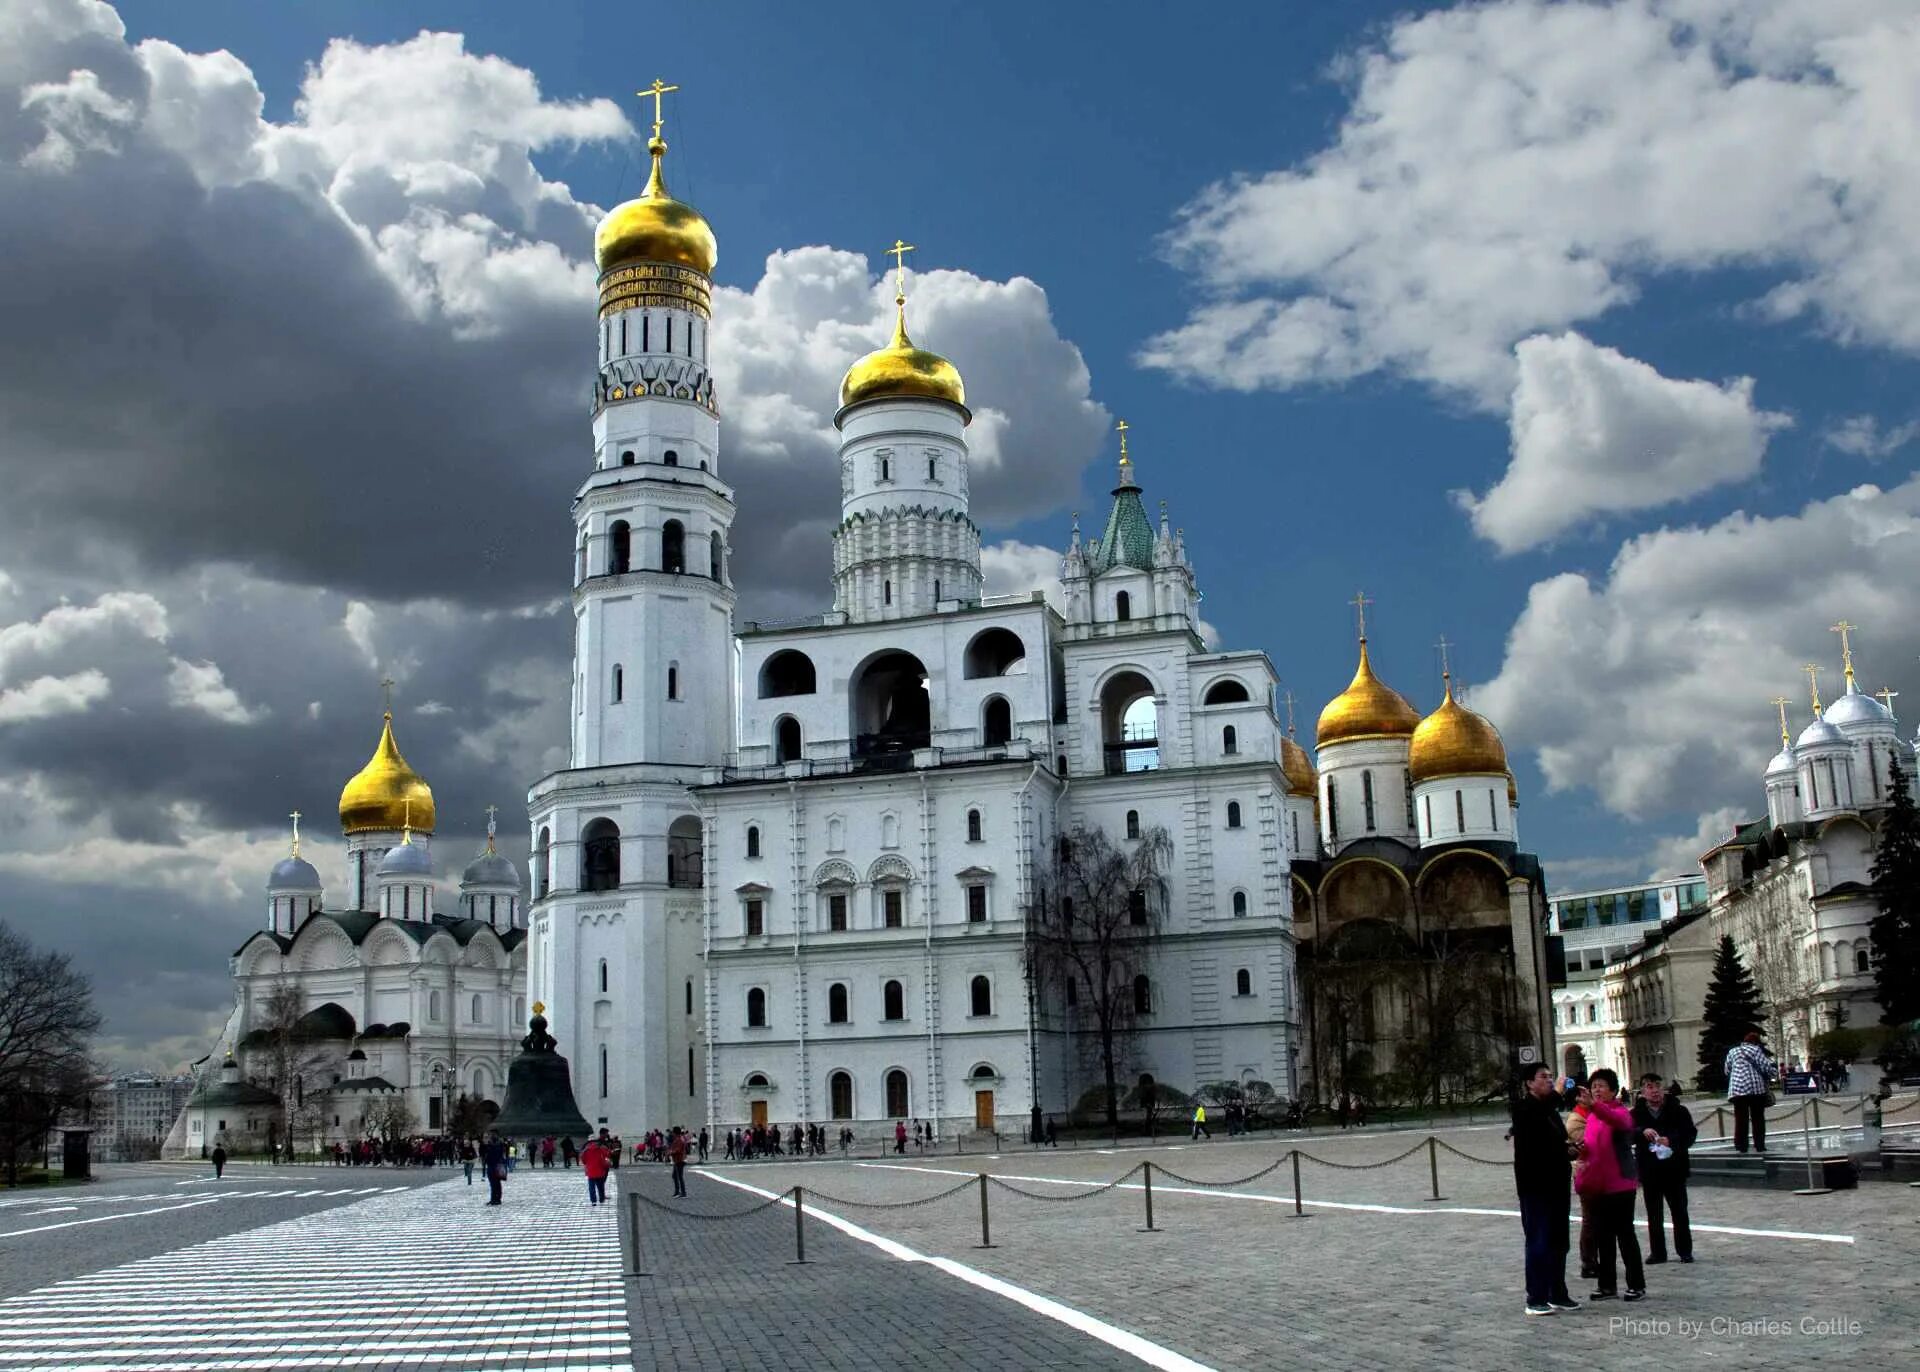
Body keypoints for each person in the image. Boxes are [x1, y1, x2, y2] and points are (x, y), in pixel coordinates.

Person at [1509, 1064, 1581, 1315]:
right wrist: (1558, 1094)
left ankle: (1557, 1292)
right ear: (1530, 1083)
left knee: (1559, 1241)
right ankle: (1535, 1297)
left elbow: (1553, 1141)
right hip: (1535, 1185)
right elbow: (1534, 1123)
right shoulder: (1523, 1107)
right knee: (1538, 1240)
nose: (1550, 1081)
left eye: (1551, 1077)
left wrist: (1570, 1148)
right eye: (1544, 1077)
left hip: (1557, 1183)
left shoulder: (1550, 1111)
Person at [1574, 1070, 1645, 1302]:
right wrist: (1581, 1155)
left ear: (1613, 1091)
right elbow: (1592, 1144)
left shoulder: (1619, 1112)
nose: (1596, 1089)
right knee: (1603, 1236)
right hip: (1599, 1184)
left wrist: (1594, 1106)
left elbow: (1619, 1122)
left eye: (1602, 1086)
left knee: (1625, 1234)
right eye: (1594, 1085)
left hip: (1620, 1184)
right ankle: (1607, 1285)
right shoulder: (1593, 1116)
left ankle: (1636, 1284)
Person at [1633, 1074, 1697, 1264]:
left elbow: (1690, 1135)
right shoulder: (1636, 1114)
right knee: (1654, 1214)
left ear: (1664, 1089)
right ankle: (1658, 1252)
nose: (1654, 1091)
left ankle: (1685, 1250)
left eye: (1657, 1086)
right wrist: (1641, 1132)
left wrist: (1672, 1140)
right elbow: (1627, 1134)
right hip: (1650, 1170)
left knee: (1680, 1212)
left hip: (1674, 1169)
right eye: (1649, 1087)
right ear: (1643, 1092)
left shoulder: (1678, 1110)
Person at [1725, 1031, 1776, 1155]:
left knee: (1740, 1119)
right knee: (1757, 1118)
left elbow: (1727, 1070)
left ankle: (1741, 1146)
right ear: (1755, 1042)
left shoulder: (1732, 1051)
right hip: (1755, 1089)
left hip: (1736, 1090)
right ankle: (1759, 1145)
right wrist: (1774, 1072)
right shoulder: (1756, 1050)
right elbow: (1766, 1068)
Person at [581, 1133, 611, 1207]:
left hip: (590, 1171)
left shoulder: (585, 1150)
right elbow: (607, 1155)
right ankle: (601, 1199)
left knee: (591, 1187)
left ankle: (593, 1201)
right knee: (600, 1187)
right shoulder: (601, 1148)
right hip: (600, 1170)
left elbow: (583, 1160)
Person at [480, 1132, 507, 1206]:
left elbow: (486, 1155)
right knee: (496, 1184)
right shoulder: (498, 1144)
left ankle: (494, 1199)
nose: (485, 1139)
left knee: (494, 1184)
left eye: (487, 1137)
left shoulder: (490, 1145)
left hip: (493, 1166)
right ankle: (497, 1199)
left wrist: (485, 1145)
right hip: (496, 1165)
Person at [668, 1126, 690, 1198]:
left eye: (673, 1132)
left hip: (679, 1160)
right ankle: (677, 1191)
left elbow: (678, 1150)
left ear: (675, 1132)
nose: (672, 1133)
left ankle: (683, 1193)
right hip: (677, 1160)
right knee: (675, 1176)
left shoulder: (679, 1140)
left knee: (679, 1176)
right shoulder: (678, 1139)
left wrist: (671, 1152)